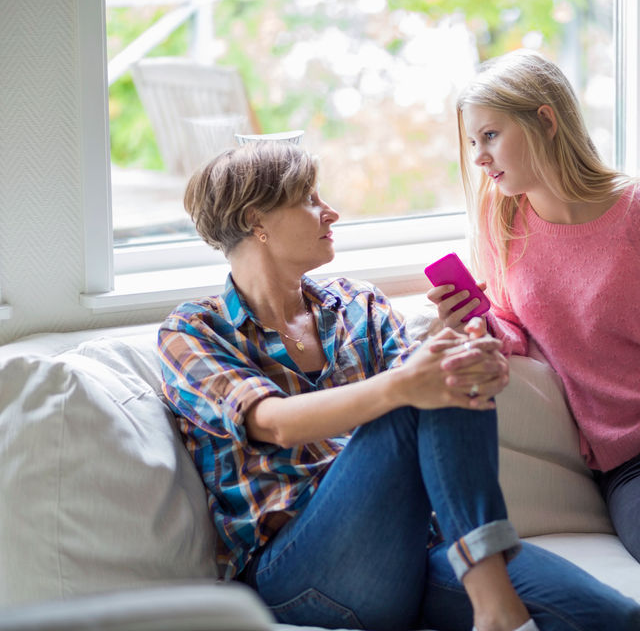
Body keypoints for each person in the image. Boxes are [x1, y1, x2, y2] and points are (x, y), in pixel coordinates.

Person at [158, 141, 640, 631]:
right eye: (308, 199)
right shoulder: (193, 331)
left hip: (410, 551)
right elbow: (273, 424)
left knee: (614, 616)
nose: (331, 212)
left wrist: (472, 362)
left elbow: (436, 404)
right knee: (428, 383)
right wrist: (416, 380)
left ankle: (491, 593)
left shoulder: (357, 304)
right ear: (256, 220)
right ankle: (493, 606)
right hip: (299, 574)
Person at [428, 48, 640, 563]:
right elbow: (516, 328)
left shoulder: (633, 212)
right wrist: (475, 324)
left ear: (545, 120)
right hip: (625, 464)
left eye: (491, 136)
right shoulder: (502, 223)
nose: (479, 156)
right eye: (473, 141)